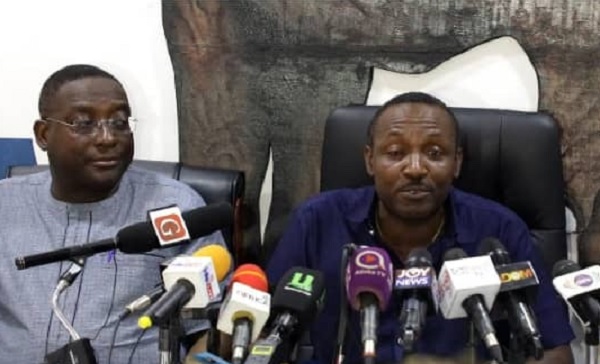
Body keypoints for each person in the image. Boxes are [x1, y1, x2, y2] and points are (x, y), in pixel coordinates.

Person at [266, 92, 575, 364]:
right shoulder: (318, 221)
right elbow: (265, 334)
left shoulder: (499, 230)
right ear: (370, 160)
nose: (415, 168)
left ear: (457, 163)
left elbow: (552, 350)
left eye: (435, 154)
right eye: (396, 153)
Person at [0, 64, 226, 363]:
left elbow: (210, 332)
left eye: (120, 122)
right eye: (83, 123)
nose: (107, 138)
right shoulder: (6, 204)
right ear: (43, 134)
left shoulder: (177, 207)